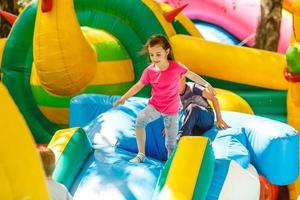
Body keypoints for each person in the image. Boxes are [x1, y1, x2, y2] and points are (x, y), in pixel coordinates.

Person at [113, 34, 216, 163]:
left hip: (172, 110)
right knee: (140, 120)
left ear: (167, 52)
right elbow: (139, 85)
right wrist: (124, 97)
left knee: (171, 144)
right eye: (151, 55)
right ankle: (141, 154)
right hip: (155, 106)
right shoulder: (149, 71)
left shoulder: (176, 67)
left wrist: (206, 84)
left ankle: (169, 163)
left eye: (158, 54)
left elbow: (191, 75)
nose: (154, 58)